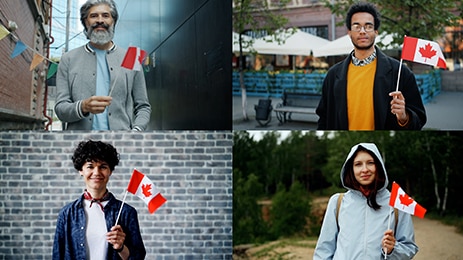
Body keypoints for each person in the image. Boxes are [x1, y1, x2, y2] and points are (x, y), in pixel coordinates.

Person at [316, 2, 426, 130]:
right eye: (357, 26)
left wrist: (404, 117)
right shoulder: (333, 75)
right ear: (349, 32)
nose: (362, 31)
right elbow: (324, 118)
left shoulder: (400, 72)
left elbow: (419, 119)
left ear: (376, 31)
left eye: (368, 26)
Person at [54, 0, 151, 131]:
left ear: (113, 21)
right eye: (93, 16)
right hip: (80, 144)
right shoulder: (68, 59)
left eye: (106, 15)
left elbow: (143, 107)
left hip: (121, 143)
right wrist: (83, 107)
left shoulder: (132, 58)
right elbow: (60, 110)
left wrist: (135, 132)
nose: (100, 20)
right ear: (85, 22)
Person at [313, 143, 418, 259]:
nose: (365, 170)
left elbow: (409, 248)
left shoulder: (396, 202)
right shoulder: (337, 202)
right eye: (358, 164)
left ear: (379, 166)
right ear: (351, 169)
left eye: (370, 163)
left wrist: (393, 249)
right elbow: (324, 250)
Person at [53, 140, 146, 259]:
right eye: (90, 166)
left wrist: (121, 247)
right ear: (81, 170)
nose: (96, 173)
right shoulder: (67, 214)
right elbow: (57, 255)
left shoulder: (126, 212)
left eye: (103, 167)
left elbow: (138, 257)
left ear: (110, 171)